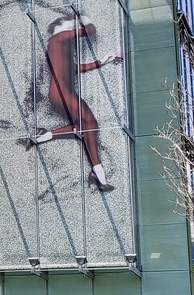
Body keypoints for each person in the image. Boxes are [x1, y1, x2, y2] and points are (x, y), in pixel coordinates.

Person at [22, 14, 122, 192]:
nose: (72, 29)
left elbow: (74, 69)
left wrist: (102, 62)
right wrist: (83, 16)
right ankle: (97, 173)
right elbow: (89, 31)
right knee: (90, 124)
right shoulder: (58, 37)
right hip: (62, 94)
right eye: (70, 25)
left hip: (60, 93)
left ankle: (43, 137)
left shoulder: (56, 48)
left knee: (85, 127)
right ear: (58, 26)